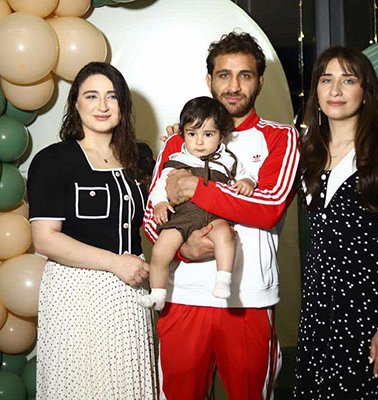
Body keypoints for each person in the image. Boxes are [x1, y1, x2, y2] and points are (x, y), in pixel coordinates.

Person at [142, 32, 300, 399]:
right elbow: (152, 217)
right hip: (182, 296)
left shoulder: (281, 137)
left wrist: (194, 188)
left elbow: (267, 208)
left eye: (245, 75)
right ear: (209, 80)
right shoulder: (178, 141)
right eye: (224, 75)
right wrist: (184, 249)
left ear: (260, 82)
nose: (233, 86)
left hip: (247, 299)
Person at [294, 47, 378, 398]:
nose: (335, 90)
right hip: (319, 307)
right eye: (326, 80)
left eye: (348, 80)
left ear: (366, 92)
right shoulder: (306, 149)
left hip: (369, 309)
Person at [27, 62, 157, 399]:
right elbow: (45, 239)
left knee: (126, 384)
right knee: (82, 385)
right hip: (76, 290)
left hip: (130, 287)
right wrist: (115, 263)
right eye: (91, 96)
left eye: (112, 96)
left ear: (123, 104)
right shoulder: (53, 160)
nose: (102, 106)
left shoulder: (141, 157)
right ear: (76, 103)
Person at [139, 96, 256, 309]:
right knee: (160, 250)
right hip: (182, 217)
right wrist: (159, 203)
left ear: (221, 136)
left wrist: (247, 182)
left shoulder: (227, 160)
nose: (199, 142)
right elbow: (160, 186)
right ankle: (157, 293)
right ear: (183, 134)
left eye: (208, 134)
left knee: (225, 235)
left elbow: (244, 175)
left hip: (214, 216)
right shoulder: (177, 159)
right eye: (192, 134)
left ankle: (223, 279)